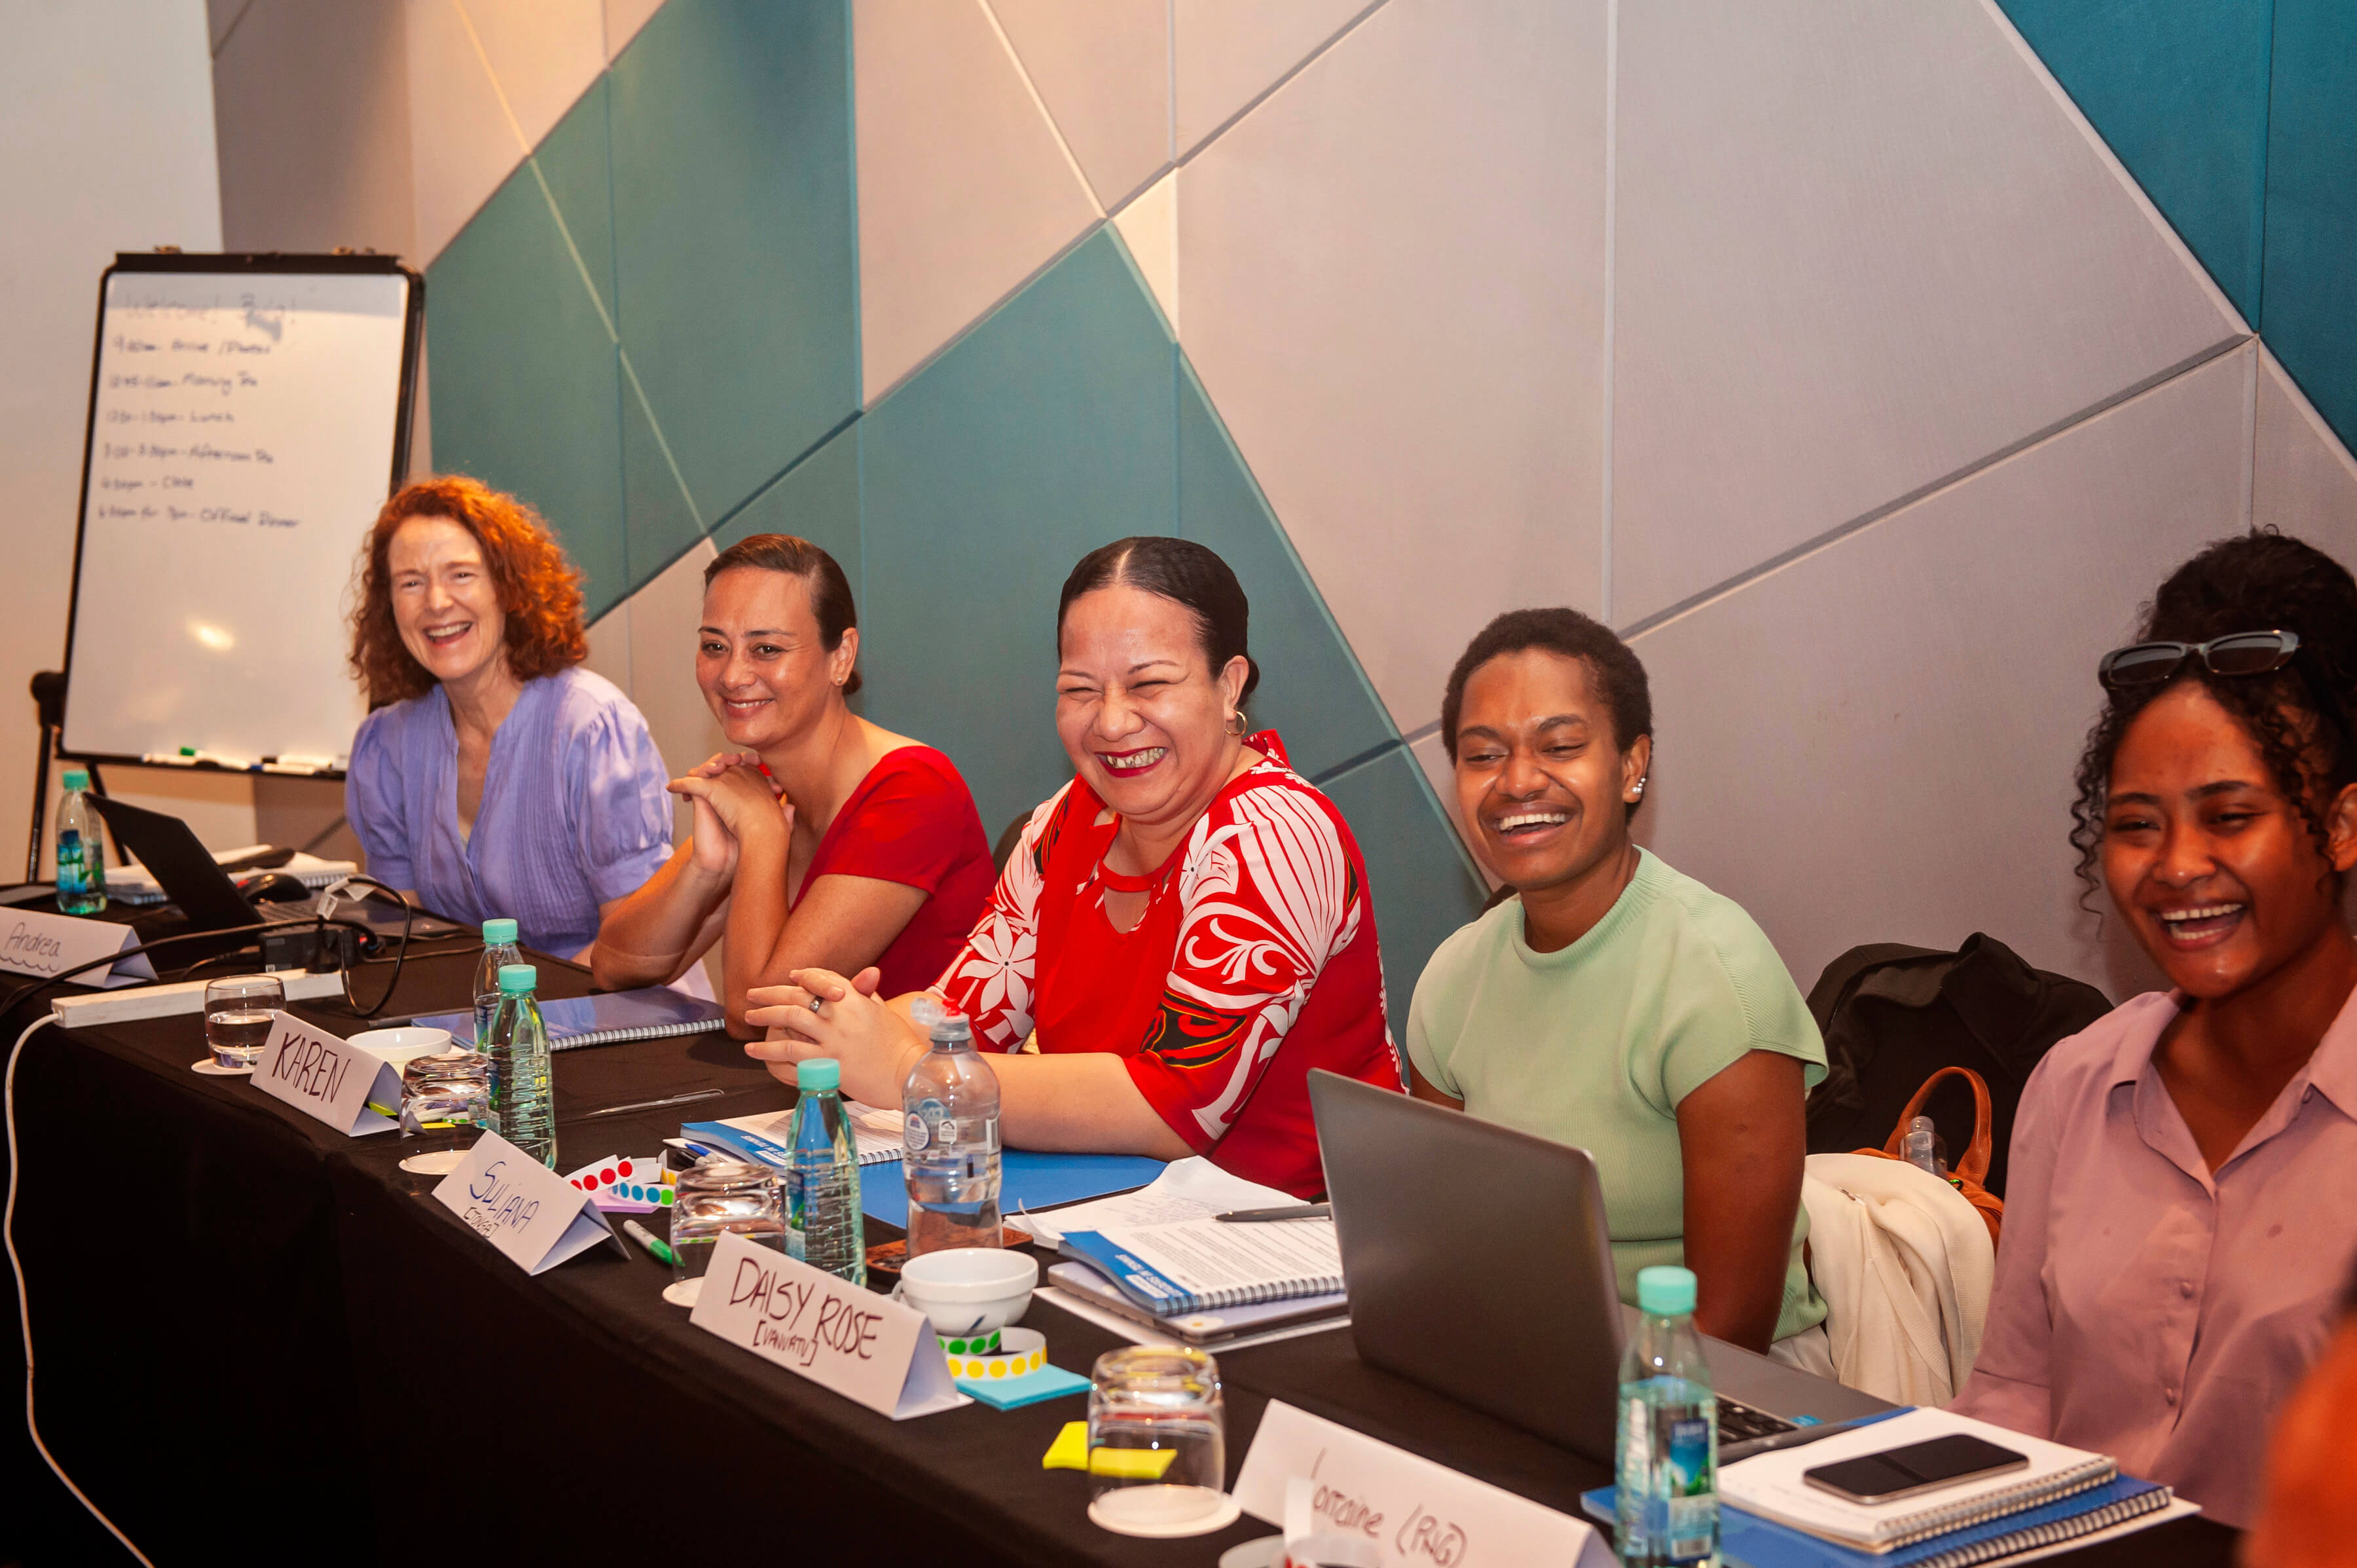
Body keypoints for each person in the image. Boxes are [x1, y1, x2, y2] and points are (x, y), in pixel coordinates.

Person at [740, 536, 1400, 1198]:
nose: (1112, 722)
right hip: (1117, 1220)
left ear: (1228, 684)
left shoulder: (1276, 835)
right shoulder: (1066, 820)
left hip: (1304, 1239)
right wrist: (842, 1027)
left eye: (1149, 684)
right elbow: (965, 1013)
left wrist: (914, 1071)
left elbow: (1174, 1107)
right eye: (1081, 689)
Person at [1952, 531, 2357, 1529]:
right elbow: (2012, 1401)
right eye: (2138, 823)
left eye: (2229, 815)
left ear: (2344, 826)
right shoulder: (2077, 1078)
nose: (2176, 865)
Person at [1404, 608, 1827, 1357]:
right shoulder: (1453, 975)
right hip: (1515, 1351)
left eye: (1561, 746)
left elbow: (1729, 1335)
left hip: (1715, 1389)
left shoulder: (1716, 976)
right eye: (1482, 755)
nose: (1518, 780)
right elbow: (1442, 1239)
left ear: (1634, 765)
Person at [592, 534, 995, 1035]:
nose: (734, 675)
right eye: (715, 646)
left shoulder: (913, 790)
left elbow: (755, 1013)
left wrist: (761, 832)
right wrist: (707, 867)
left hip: (924, 1106)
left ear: (841, 656)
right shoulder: (763, 788)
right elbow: (612, 965)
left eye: (766, 648)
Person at [344, 475, 672, 962]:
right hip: (470, 1026)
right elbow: (404, 946)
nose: (436, 602)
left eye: (461, 574)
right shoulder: (386, 746)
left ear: (508, 587)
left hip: (613, 1019)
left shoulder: (593, 729)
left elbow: (636, 949)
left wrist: (507, 1024)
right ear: (388, 606)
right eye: (411, 582)